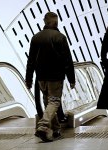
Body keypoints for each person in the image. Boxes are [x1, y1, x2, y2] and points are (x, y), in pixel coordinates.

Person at [25, 12, 76, 142]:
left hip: (41, 77)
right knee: (54, 101)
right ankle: (43, 126)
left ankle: (56, 129)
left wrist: (29, 78)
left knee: (47, 102)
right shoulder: (60, 37)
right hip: (56, 76)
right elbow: (67, 60)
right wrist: (71, 79)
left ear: (45, 22)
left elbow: (31, 60)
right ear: (55, 22)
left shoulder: (36, 38)